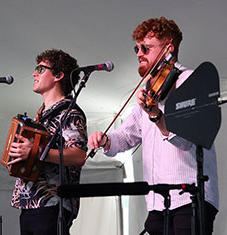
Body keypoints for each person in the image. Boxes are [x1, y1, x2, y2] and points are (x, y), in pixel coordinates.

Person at [88, 17, 218, 234]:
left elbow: (186, 140)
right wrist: (107, 140)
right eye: (137, 48)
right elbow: (128, 134)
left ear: (169, 47)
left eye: (146, 48)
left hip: (190, 198)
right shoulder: (151, 89)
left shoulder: (190, 80)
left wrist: (157, 116)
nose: (139, 53)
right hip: (158, 200)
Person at [8, 49, 88, 235]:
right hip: (31, 202)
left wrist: (35, 152)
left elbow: (78, 155)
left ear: (58, 75)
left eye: (40, 69)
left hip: (52, 202)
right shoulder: (42, 114)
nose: (34, 73)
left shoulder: (70, 113)